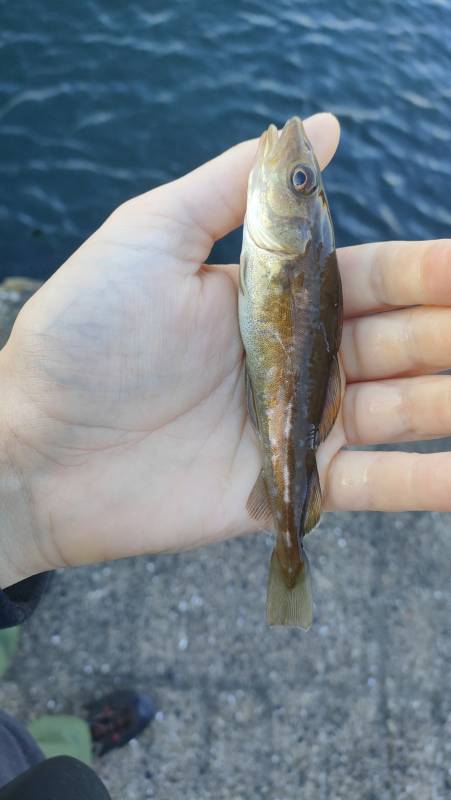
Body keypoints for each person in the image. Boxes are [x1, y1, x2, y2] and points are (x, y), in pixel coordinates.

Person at [1, 112, 451, 796]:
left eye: (300, 183)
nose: (294, 165)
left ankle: (286, 558)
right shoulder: (292, 254)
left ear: (306, 224)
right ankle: (66, 737)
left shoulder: (296, 256)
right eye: (303, 180)